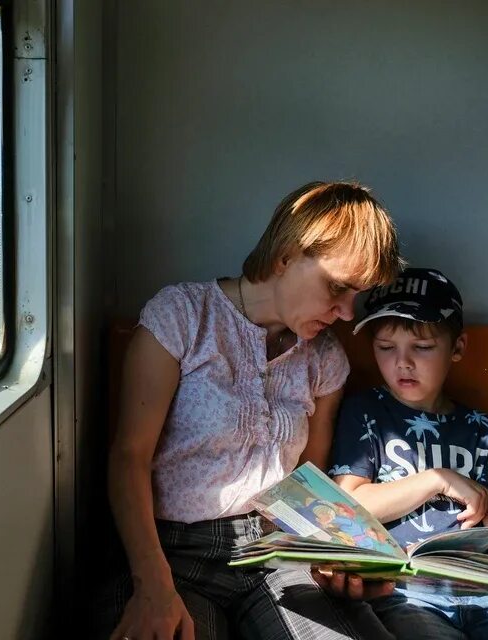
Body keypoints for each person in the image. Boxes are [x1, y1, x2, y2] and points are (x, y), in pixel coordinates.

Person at [101, 181, 404, 640]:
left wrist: (338, 556)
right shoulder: (182, 316)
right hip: (173, 556)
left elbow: (308, 480)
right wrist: (153, 586)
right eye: (337, 289)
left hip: (276, 554)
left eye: (355, 298)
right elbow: (129, 457)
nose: (345, 313)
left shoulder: (324, 357)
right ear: (285, 256)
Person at [329, 267, 488, 640]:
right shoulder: (365, 412)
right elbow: (347, 505)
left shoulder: (480, 427)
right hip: (408, 594)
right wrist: (435, 480)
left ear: (457, 347)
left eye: (423, 347)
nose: (403, 362)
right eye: (385, 347)